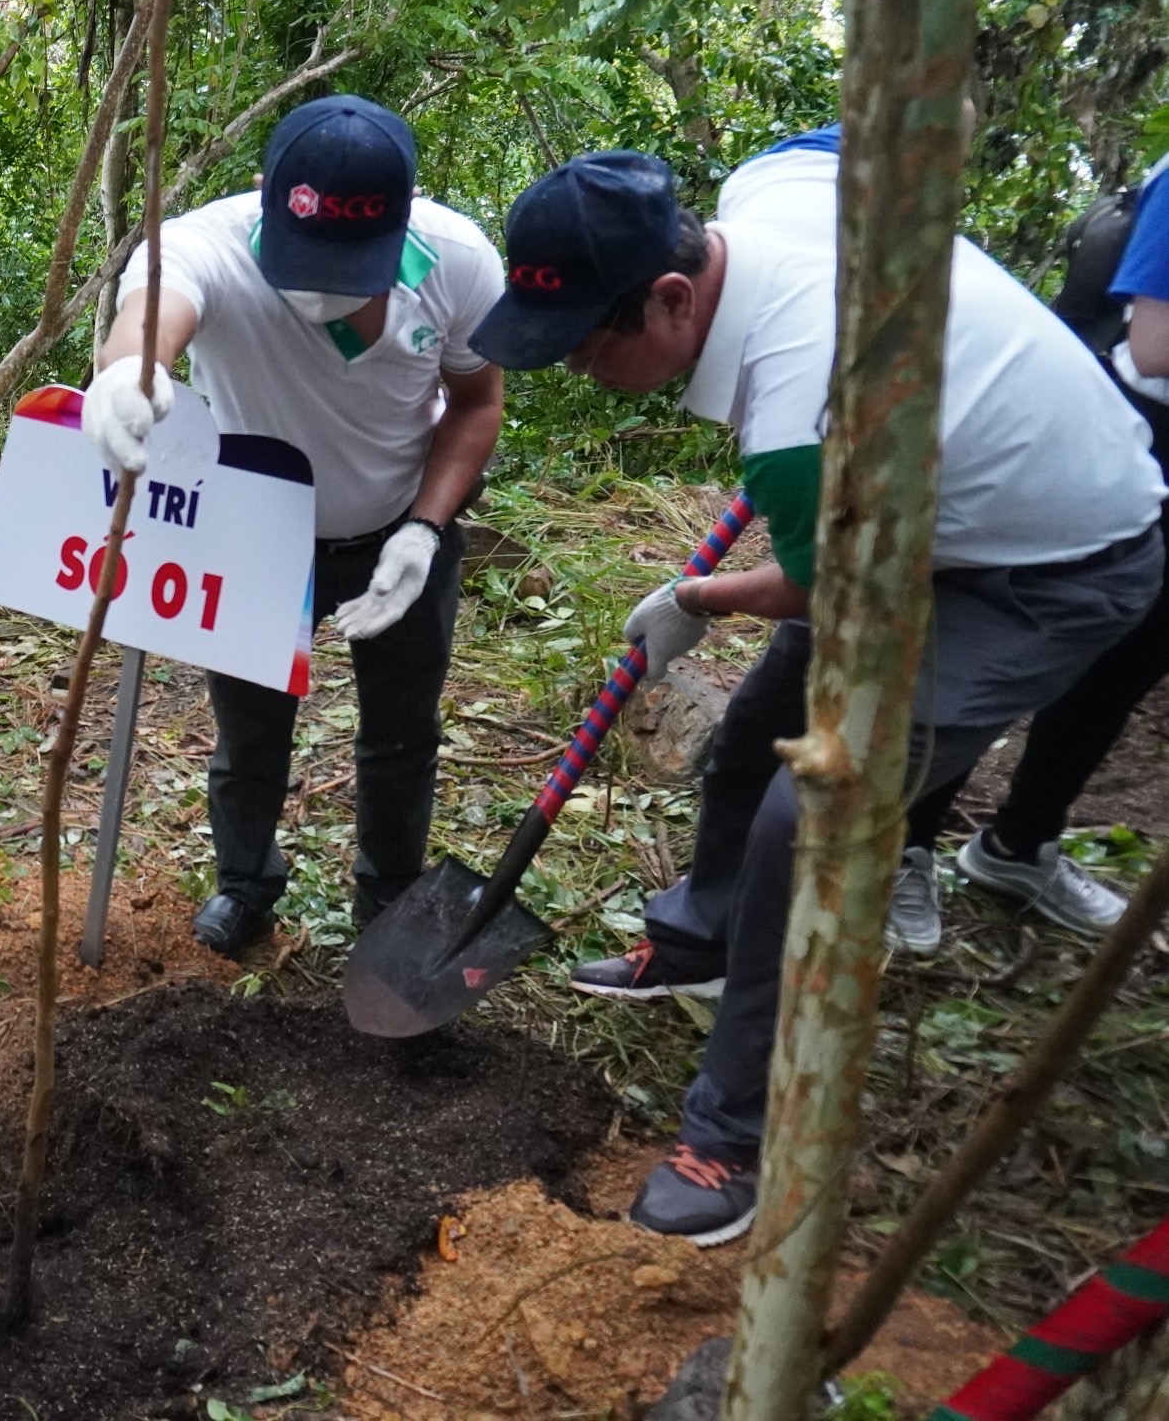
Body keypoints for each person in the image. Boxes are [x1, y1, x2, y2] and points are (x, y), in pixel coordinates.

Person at [470, 137, 1164, 1244]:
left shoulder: (796, 410)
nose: (579, 372)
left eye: (590, 345)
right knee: (752, 731)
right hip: (927, 509)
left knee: (810, 814)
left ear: (673, 296)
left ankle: (732, 1135)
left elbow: (820, 586)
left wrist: (700, 600)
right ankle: (700, 936)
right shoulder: (761, 191)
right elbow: (845, 144)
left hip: (1053, 564)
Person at [84, 95, 507, 955]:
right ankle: (245, 884)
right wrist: (130, 376)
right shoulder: (204, 245)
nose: (324, 287)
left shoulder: (459, 263)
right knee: (250, 728)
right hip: (256, 535)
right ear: (263, 199)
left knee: (402, 731)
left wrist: (425, 528)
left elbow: (476, 402)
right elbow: (149, 317)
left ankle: (387, 901)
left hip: (397, 529)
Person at [952, 151, 1169, 924]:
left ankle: (1019, 844)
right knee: (1002, 643)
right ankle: (904, 848)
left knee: (1126, 666)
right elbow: (1155, 346)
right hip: (1135, 432)